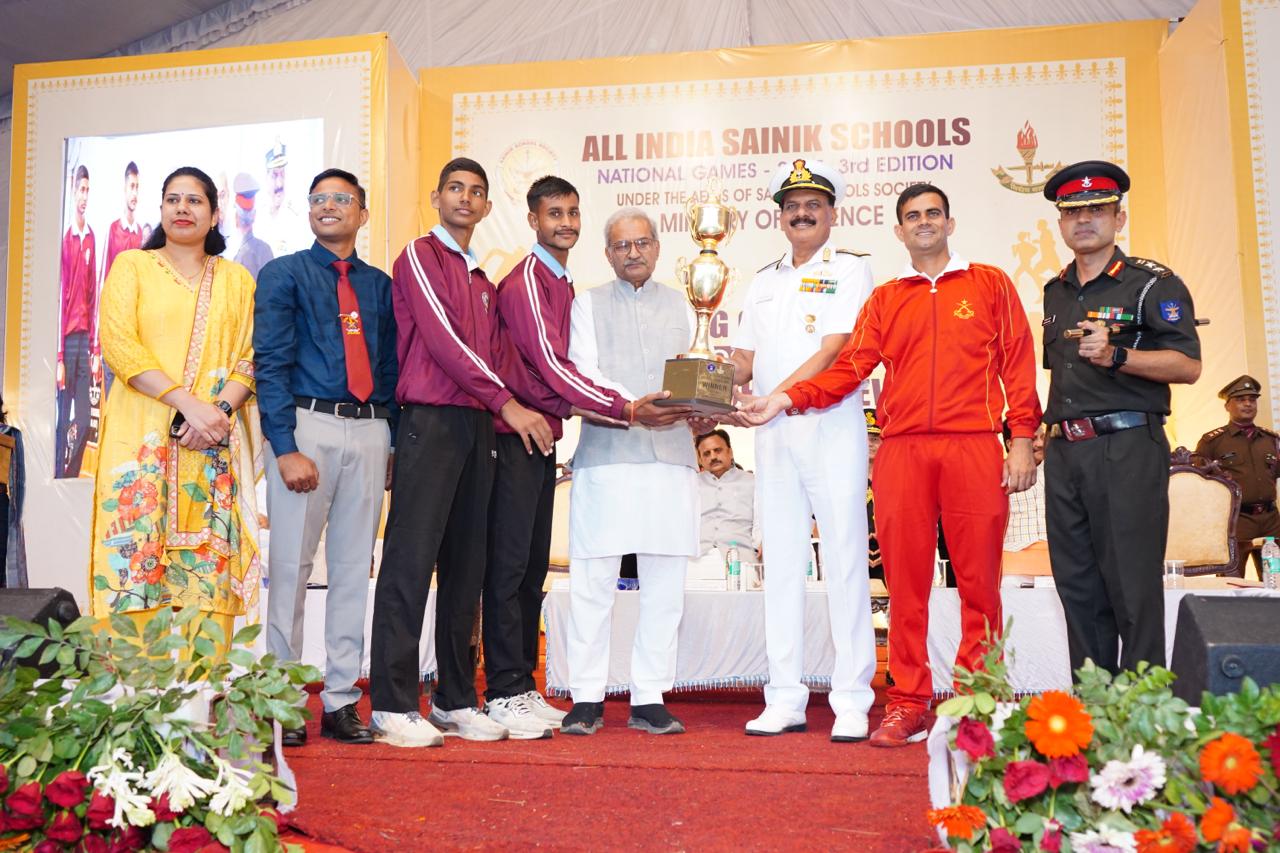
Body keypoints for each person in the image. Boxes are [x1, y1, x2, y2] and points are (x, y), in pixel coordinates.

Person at [742, 182, 1041, 747]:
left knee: (980, 584)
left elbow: (1018, 362)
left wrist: (1021, 435)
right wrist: (784, 398)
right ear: (899, 231)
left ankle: (980, 700)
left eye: (933, 213)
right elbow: (848, 368)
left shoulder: (990, 283)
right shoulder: (886, 298)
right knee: (905, 588)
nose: (924, 222)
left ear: (950, 223)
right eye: (912, 216)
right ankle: (907, 702)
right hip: (902, 451)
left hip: (974, 445)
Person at [367, 158, 556, 747]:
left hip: (478, 426)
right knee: (409, 563)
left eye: (476, 192)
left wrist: (536, 405)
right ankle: (392, 703)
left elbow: (501, 359)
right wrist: (508, 404)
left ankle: (453, 698)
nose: (465, 199)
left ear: (488, 207)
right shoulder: (419, 256)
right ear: (436, 197)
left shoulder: (482, 279)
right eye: (455, 189)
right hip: (431, 421)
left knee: (466, 569)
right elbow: (445, 344)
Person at [484, 176, 663, 738]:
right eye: (553, 213)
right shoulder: (527, 282)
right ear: (532, 221)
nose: (565, 222)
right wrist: (625, 408)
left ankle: (519, 685)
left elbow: (562, 374)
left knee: (530, 568)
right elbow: (551, 366)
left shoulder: (561, 282)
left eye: (572, 212)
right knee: (509, 567)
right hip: (511, 435)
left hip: (543, 436)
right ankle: (502, 690)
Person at [718, 159, 878, 742]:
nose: (802, 214)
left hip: (830, 428)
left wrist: (778, 397)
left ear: (832, 213)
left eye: (814, 205)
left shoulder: (851, 269)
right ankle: (784, 696)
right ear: (780, 217)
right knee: (780, 561)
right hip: (773, 433)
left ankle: (852, 697)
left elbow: (835, 350)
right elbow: (745, 360)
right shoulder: (763, 280)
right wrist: (710, 380)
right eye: (792, 207)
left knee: (843, 561)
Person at [89, 166, 260, 654]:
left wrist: (216, 414)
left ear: (215, 214)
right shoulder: (131, 266)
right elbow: (119, 345)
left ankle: (203, 693)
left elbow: (251, 356)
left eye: (194, 200)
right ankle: (133, 692)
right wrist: (187, 404)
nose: (182, 208)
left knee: (208, 573)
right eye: (173, 199)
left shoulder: (236, 279)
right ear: (161, 209)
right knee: (131, 562)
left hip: (211, 446)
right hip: (140, 440)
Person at [1039, 160, 1201, 676]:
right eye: (1073, 213)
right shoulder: (1056, 290)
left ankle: (1140, 708)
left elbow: (1188, 365)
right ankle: (1092, 706)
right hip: (1066, 453)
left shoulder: (1151, 284)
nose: (1084, 220)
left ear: (1119, 218)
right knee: (1078, 588)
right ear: (1061, 223)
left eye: (1097, 209)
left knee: (1132, 587)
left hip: (1127, 447)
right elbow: (1064, 376)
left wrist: (1118, 356)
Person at [254, 168, 398, 747]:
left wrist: (392, 441)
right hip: (306, 427)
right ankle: (283, 702)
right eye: (319, 198)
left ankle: (340, 700)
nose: (329, 206)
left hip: (370, 429)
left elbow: (389, 367)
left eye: (342, 198)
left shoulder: (381, 286)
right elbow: (270, 363)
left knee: (353, 571)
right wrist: (284, 447)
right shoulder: (284, 273)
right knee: (290, 570)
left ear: (363, 213)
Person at [559, 207, 697, 736]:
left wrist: (701, 408)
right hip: (609, 454)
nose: (633, 252)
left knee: (665, 586)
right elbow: (584, 373)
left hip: (671, 458)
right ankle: (586, 696)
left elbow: (694, 370)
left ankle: (649, 696)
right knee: (593, 584)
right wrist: (635, 408)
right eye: (621, 245)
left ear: (657, 248)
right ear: (607, 254)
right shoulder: (587, 304)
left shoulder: (683, 304)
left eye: (642, 243)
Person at [1194, 375, 1279, 580]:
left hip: (1270, 522)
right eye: (1241, 399)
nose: (1248, 404)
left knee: (1275, 582)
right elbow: (1200, 484)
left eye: (1252, 399)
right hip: (1235, 522)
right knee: (1231, 583)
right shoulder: (1212, 442)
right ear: (1227, 406)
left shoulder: (1271, 440)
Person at [57, 164, 98, 478]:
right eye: (80, 190)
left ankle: (70, 475)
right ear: (73, 192)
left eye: (88, 190)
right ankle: (57, 475)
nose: (84, 196)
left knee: (84, 421)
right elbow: (59, 297)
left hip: (84, 341)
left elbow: (93, 294)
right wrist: (59, 356)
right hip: (66, 341)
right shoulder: (65, 239)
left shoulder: (91, 238)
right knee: (61, 419)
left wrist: (95, 348)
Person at [695, 429, 758, 557]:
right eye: (706, 453)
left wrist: (760, 544)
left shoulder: (753, 482)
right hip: (698, 559)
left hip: (742, 558)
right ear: (700, 460)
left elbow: (761, 522)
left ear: (730, 452)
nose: (713, 457)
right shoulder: (691, 485)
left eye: (718, 450)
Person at [232, 173, 274, 279]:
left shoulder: (263, 250)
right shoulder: (222, 246)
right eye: (244, 209)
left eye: (249, 210)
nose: (246, 214)